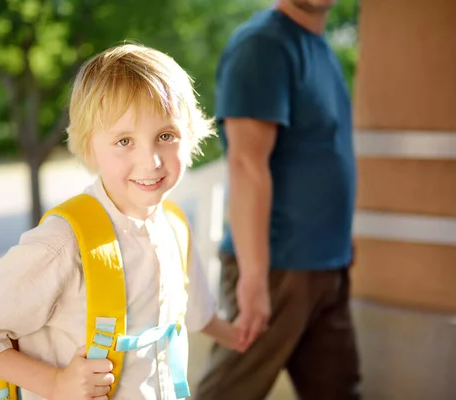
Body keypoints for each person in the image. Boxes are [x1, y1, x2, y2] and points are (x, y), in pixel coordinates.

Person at [0, 43, 242, 400]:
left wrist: (239, 336)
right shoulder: (63, 243)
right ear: (89, 146)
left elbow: (192, 309)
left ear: (190, 134)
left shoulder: (173, 224)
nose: (152, 160)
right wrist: (54, 383)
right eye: (124, 140)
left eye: (166, 136)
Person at [195, 1, 361, 399]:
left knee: (340, 392)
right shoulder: (263, 45)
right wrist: (253, 278)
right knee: (228, 393)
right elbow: (246, 162)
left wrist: (339, 236)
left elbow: (322, 153)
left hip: (327, 265)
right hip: (276, 268)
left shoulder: (321, 48)